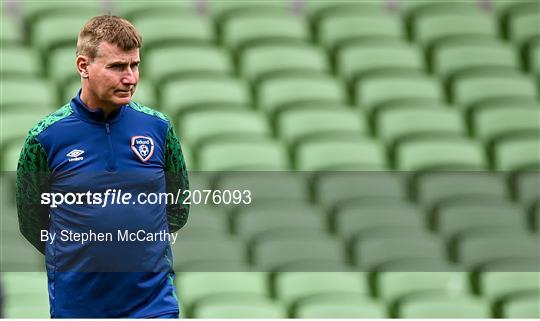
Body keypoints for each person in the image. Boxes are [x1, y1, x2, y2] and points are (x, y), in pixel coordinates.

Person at [16, 15, 189, 318]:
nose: (131, 77)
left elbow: (178, 208)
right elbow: (33, 222)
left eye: (134, 65)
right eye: (117, 67)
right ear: (83, 66)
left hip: (153, 306)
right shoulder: (45, 138)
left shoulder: (158, 128)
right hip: (78, 307)